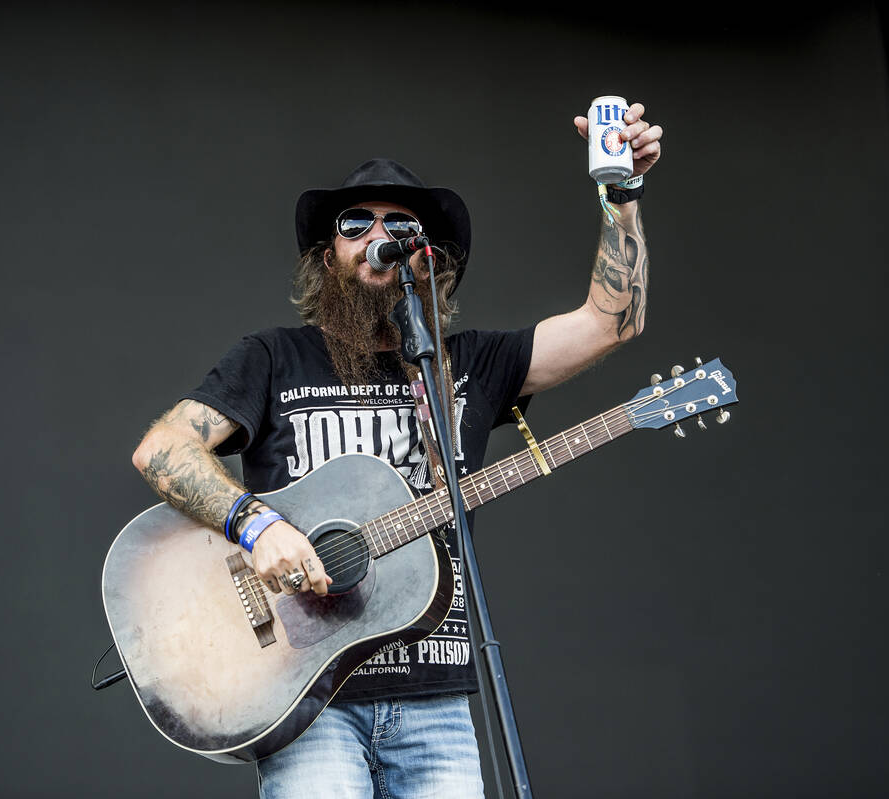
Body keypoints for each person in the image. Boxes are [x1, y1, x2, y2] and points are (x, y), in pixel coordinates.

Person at [131, 103, 662, 798]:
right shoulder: (271, 358)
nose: (377, 236)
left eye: (400, 227)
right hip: (308, 697)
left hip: (436, 698)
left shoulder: (471, 364)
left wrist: (619, 195)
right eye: (356, 224)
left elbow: (611, 322)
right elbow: (161, 447)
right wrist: (256, 525)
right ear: (330, 256)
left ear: (428, 257)